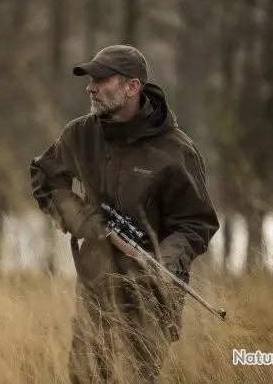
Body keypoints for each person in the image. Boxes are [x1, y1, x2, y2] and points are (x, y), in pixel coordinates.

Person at [29, 44, 220, 383]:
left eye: (101, 80)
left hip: (151, 295)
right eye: (90, 80)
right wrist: (82, 219)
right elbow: (46, 176)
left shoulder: (177, 152)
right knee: (85, 377)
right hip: (95, 285)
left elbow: (196, 223)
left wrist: (165, 259)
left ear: (132, 87)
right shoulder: (81, 134)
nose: (90, 88)